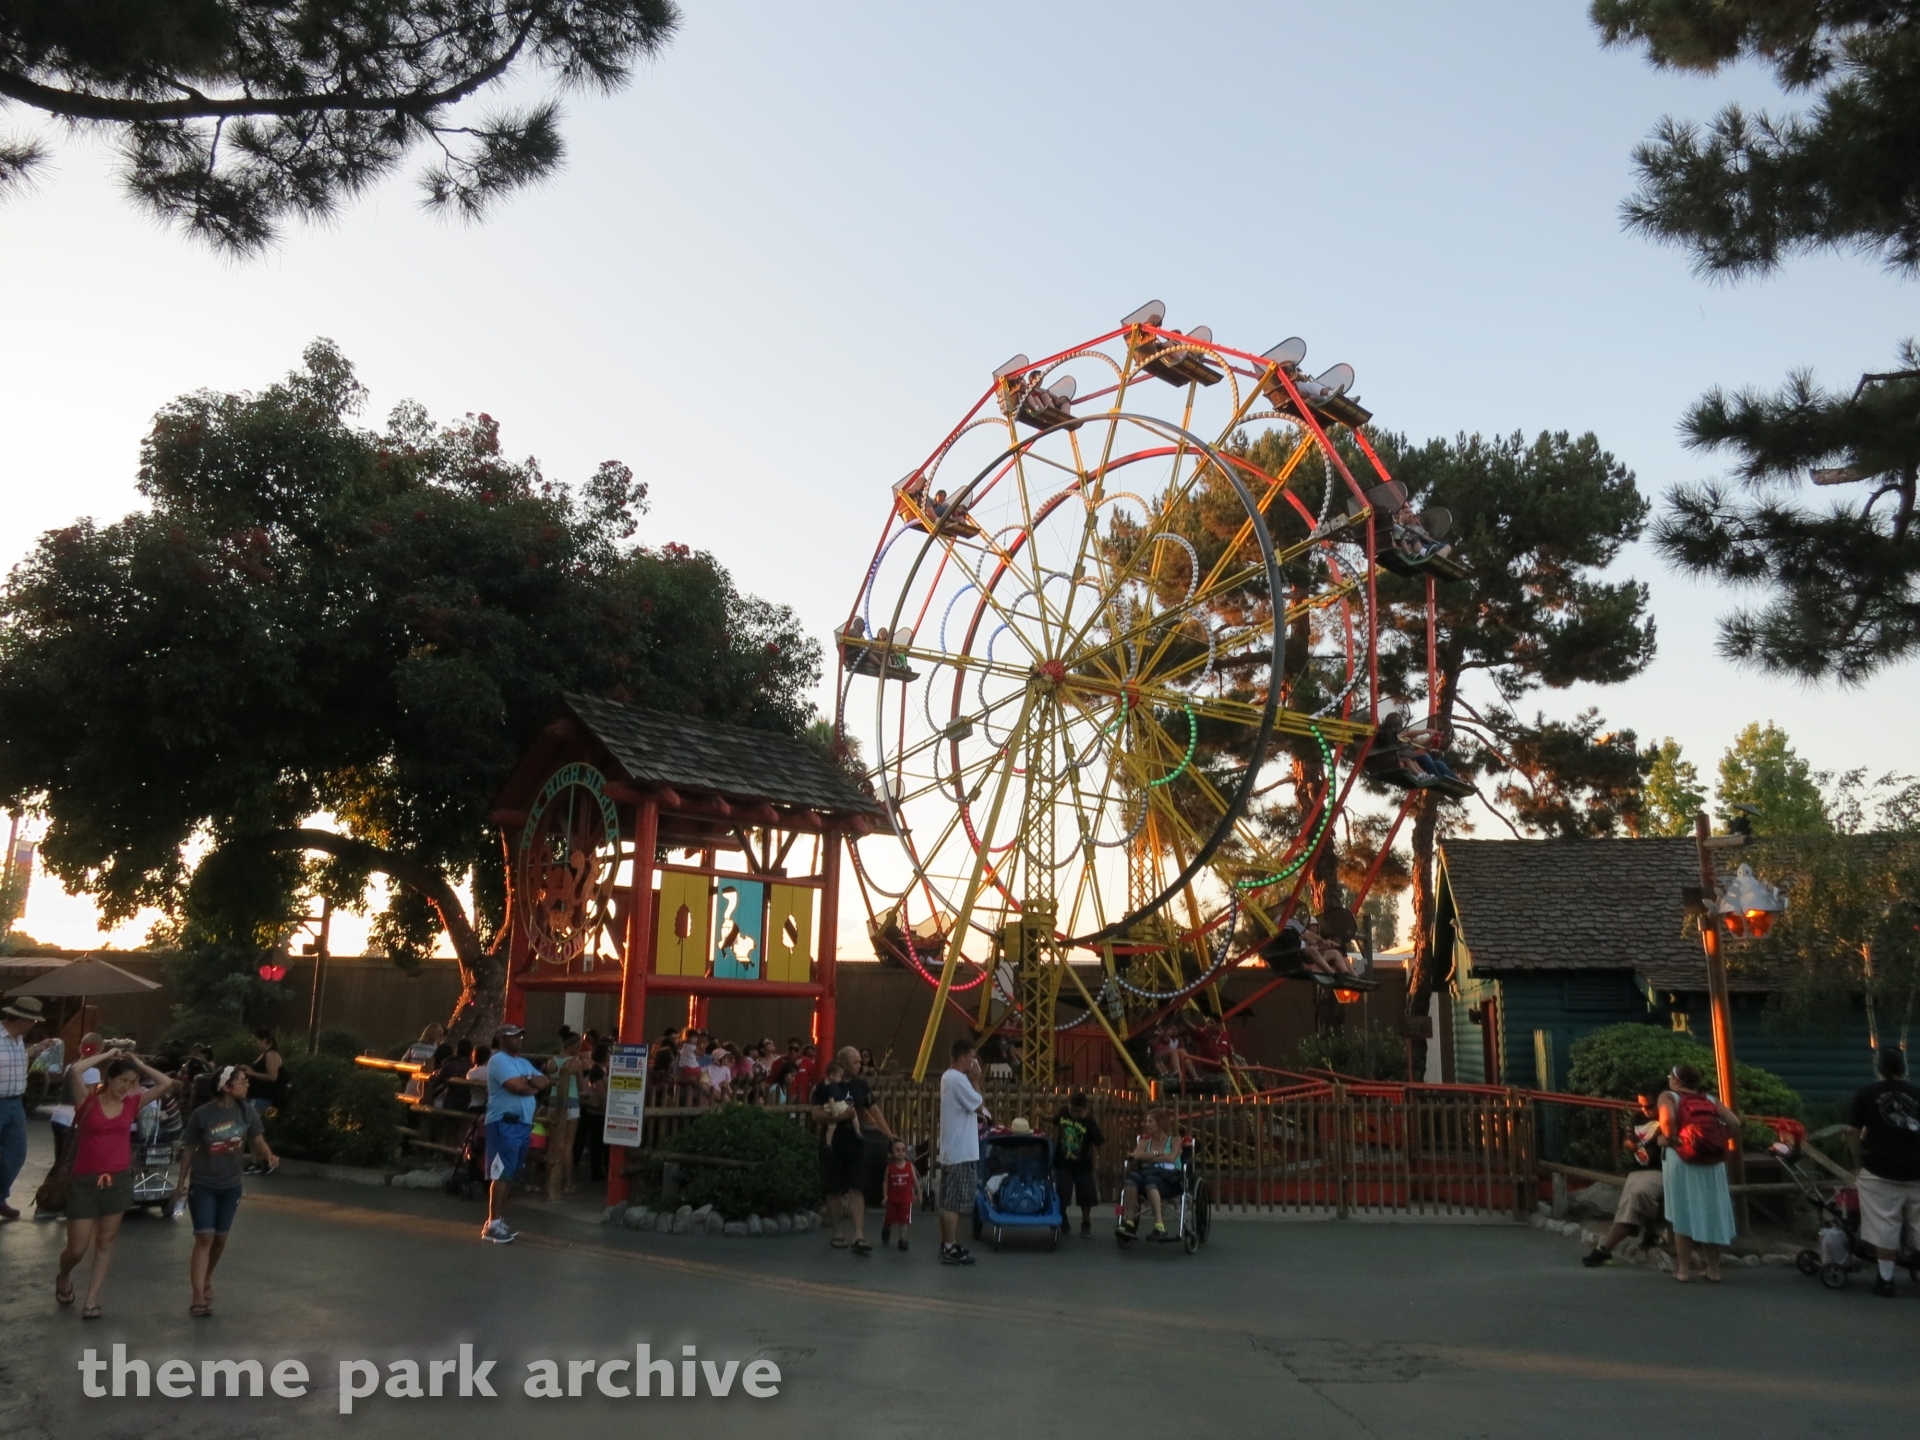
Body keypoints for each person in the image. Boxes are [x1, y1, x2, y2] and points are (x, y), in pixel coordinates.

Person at [55, 1051, 174, 1317]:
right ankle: (64, 1274)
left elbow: (165, 1083)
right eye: (122, 1080)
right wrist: (108, 1053)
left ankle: (92, 1298)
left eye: (131, 1082)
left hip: (118, 1179)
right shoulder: (87, 1101)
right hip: (84, 1181)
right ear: (108, 1078)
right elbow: (75, 1069)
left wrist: (139, 1064)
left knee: (105, 1242)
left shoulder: (132, 1103)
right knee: (77, 1248)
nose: (126, 1087)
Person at [174, 1063, 278, 1316]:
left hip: (231, 1185)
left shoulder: (247, 1111)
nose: (247, 1085)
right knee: (204, 1237)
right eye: (242, 1081)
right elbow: (189, 1149)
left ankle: (207, 1276)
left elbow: (257, 1138)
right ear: (226, 1087)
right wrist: (181, 1182)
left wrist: (269, 1155)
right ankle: (198, 1296)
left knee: (220, 1238)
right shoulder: (202, 1114)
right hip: (203, 1184)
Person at [1845, 1045, 1920, 1298]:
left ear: (1880, 1068)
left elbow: (1853, 1133)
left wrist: (1859, 1165)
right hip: (1917, 1172)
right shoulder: (1917, 1094)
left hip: (1879, 1170)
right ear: (1903, 1067)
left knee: (1884, 1225)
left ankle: (1886, 1280)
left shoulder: (1865, 1094)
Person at [1657, 1063, 1738, 1282]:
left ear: (1676, 1080)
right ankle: (1713, 1270)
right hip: (1712, 1162)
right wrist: (1722, 1139)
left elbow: (1667, 1120)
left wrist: (1668, 1139)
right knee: (1712, 1212)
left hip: (1681, 1160)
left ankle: (1683, 1270)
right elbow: (1734, 1122)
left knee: (1682, 1212)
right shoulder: (1710, 1100)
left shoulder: (1669, 1096)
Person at [812, 1046, 894, 1255]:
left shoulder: (861, 1085)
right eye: (855, 1062)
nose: (860, 1065)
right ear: (843, 1063)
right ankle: (837, 1232)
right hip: (833, 1143)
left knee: (857, 1187)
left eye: (860, 1061)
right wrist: (841, 1117)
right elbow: (816, 1114)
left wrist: (889, 1135)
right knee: (834, 1189)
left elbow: (874, 1111)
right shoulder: (825, 1086)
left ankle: (859, 1234)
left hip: (855, 1143)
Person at [481, 1024, 551, 1244]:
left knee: (510, 1172)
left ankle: (498, 1219)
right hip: (504, 1123)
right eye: (513, 1036)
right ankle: (492, 1223)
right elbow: (516, 1086)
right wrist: (530, 1082)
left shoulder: (522, 1062)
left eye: (520, 1036)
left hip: (522, 1123)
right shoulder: (498, 1060)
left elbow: (544, 1081)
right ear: (502, 1038)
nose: (519, 1039)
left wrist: (528, 1080)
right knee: (501, 1172)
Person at [1582, 1085, 1667, 1266]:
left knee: (1638, 1194)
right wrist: (1630, 1144)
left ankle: (1608, 1247)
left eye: (1649, 1106)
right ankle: (1609, 1247)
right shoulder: (1638, 1118)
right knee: (1627, 1207)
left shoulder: (1667, 1118)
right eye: (1641, 1105)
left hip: (1660, 1168)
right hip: (1639, 1169)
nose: (1644, 1110)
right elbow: (1628, 1141)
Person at [1, 996, 62, 1222]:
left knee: (16, 1153)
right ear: (22, 1019)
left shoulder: (18, 1040)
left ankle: (0, 1197)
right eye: (33, 1021)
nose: (34, 1025)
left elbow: (17, 1057)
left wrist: (38, 1048)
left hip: (15, 1103)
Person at [937, 1038, 988, 1266]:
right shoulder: (958, 1079)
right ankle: (949, 1247)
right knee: (954, 1203)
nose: (974, 1062)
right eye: (972, 1057)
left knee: (948, 1201)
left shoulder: (948, 1078)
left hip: (952, 1148)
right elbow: (978, 1104)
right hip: (961, 1151)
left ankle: (948, 1242)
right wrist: (976, 1080)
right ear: (962, 1058)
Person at [1118, 1107, 1182, 1241]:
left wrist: (1148, 1157)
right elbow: (1137, 1156)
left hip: (1169, 1180)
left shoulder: (1174, 1140)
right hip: (1146, 1175)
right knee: (1132, 1178)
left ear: (1160, 1123)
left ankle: (1159, 1226)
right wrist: (1158, 1154)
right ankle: (1129, 1222)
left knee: (1151, 1180)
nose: (1146, 1124)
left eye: (1150, 1121)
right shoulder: (1144, 1141)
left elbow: (1171, 1158)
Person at [1052, 1091, 1106, 1237]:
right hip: (1063, 1161)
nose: (1074, 1114)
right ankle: (1062, 1218)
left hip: (1083, 1164)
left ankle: (1086, 1222)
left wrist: (1101, 1161)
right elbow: (1055, 1119)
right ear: (1068, 1106)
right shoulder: (1064, 1113)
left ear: (1085, 1110)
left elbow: (1100, 1142)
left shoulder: (1089, 1123)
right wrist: (1043, 1116)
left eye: (1078, 1111)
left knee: (1086, 1194)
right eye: (1072, 1110)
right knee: (1063, 1192)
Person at [543, 1037, 587, 1198]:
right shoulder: (575, 1063)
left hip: (554, 1102)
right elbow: (581, 1086)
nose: (579, 1049)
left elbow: (547, 1082)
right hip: (571, 1102)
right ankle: (568, 1183)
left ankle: (549, 1181)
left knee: (553, 1143)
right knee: (568, 1145)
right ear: (572, 1045)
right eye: (578, 1045)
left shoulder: (551, 1062)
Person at [243, 1027, 287, 1124]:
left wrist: (252, 1073)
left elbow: (273, 1077)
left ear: (264, 1040)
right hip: (256, 1095)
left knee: (251, 1124)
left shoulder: (271, 1054)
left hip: (264, 1097)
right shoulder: (263, 1054)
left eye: (256, 1041)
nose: (255, 1044)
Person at [881, 1136, 916, 1251]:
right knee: (889, 1219)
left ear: (906, 1151)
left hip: (906, 1199)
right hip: (892, 1199)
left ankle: (903, 1240)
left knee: (904, 1221)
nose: (900, 1152)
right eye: (897, 1150)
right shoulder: (889, 1167)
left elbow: (915, 1180)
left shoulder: (910, 1166)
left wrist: (919, 1194)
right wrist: (885, 1195)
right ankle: (886, 1229)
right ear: (891, 1152)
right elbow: (885, 1182)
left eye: (903, 1149)